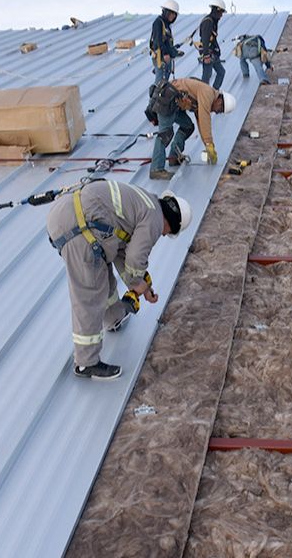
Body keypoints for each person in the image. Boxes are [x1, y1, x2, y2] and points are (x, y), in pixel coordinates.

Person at [46, 181, 192, 379]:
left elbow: (123, 251)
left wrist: (141, 285)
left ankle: (113, 317)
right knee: (90, 295)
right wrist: (138, 284)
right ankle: (86, 363)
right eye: (168, 233)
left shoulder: (147, 202)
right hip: (79, 229)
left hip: (73, 219)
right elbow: (134, 260)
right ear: (171, 225)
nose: (164, 235)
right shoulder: (155, 222)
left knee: (102, 274)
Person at [145, 77, 235, 180]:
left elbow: (200, 120)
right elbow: (204, 117)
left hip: (174, 103)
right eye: (220, 110)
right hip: (166, 99)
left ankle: (174, 157)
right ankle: (156, 169)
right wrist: (209, 143)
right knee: (165, 133)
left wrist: (207, 144)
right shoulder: (208, 93)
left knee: (188, 126)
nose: (216, 111)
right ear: (220, 100)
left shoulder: (207, 96)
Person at [150, 0, 183, 83]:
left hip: (166, 57)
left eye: (174, 14)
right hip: (161, 57)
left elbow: (167, 42)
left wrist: (174, 51)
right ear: (165, 12)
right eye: (171, 13)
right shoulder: (158, 22)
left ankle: (161, 95)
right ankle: (155, 96)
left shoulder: (167, 25)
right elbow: (158, 40)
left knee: (165, 82)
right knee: (160, 82)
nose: (172, 16)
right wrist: (165, 53)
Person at [197, 0, 227, 90]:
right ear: (216, 10)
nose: (221, 15)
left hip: (213, 53)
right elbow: (205, 39)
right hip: (208, 54)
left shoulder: (213, 22)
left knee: (221, 72)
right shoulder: (208, 22)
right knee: (206, 76)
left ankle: (213, 92)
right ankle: (204, 95)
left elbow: (212, 39)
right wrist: (206, 55)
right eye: (221, 12)